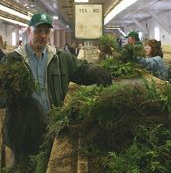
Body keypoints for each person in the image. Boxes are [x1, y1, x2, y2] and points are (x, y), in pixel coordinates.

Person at [0, 13, 112, 162]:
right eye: (38, 31)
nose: (43, 36)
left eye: (46, 32)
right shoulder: (12, 61)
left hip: (51, 127)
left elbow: (81, 70)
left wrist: (96, 71)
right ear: (29, 31)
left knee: (47, 168)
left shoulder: (60, 58)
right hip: (22, 131)